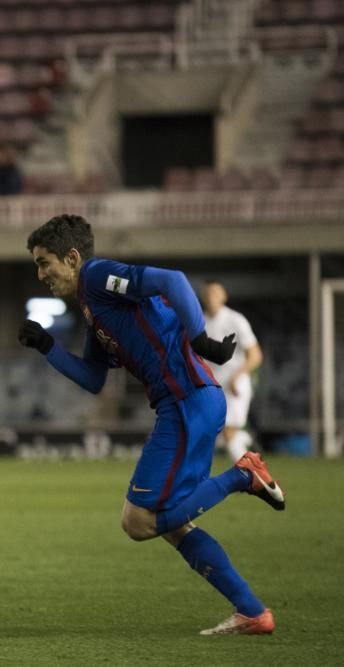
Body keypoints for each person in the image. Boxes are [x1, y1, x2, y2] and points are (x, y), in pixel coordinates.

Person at [17, 214, 285, 636]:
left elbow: (172, 280)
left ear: (71, 258)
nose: (41, 274)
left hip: (186, 402)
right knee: (173, 525)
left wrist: (198, 338)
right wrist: (48, 346)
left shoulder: (97, 275)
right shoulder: (93, 308)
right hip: (189, 404)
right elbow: (93, 378)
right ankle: (253, 612)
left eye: (44, 262)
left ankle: (243, 475)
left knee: (138, 521)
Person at [200, 280, 263, 461]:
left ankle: (250, 475)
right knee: (216, 434)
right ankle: (246, 440)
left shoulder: (236, 320)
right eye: (208, 294)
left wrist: (238, 375)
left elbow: (255, 355)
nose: (211, 298)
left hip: (235, 383)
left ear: (223, 296)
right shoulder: (199, 323)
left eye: (215, 293)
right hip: (212, 385)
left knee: (228, 431)